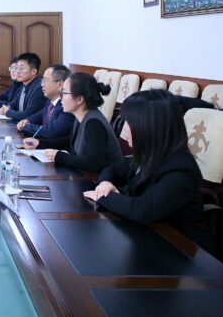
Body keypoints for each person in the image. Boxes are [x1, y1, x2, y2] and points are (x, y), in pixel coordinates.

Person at [84, 90, 215, 254]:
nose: (125, 129)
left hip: (187, 253)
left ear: (148, 127)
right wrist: (106, 183)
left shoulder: (181, 170)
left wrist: (103, 196)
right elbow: (113, 169)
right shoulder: (151, 154)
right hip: (153, 239)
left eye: (129, 123)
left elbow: (142, 210)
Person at [23, 72, 123, 172]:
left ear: (79, 99)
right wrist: (40, 143)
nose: (61, 97)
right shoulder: (81, 116)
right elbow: (70, 141)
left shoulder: (94, 124)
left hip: (102, 179)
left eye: (64, 93)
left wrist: (59, 156)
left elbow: (93, 163)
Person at [16, 64, 75, 140]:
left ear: (60, 84)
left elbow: (51, 131)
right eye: (42, 81)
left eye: (45, 80)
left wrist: (26, 126)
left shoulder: (66, 106)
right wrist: (27, 121)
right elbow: (40, 115)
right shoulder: (50, 101)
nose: (42, 85)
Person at [0, 53, 47, 120]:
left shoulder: (39, 88)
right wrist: (5, 108)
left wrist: (7, 112)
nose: (17, 72)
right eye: (17, 68)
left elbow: (27, 115)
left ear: (33, 71)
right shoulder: (24, 85)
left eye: (21, 68)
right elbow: (14, 104)